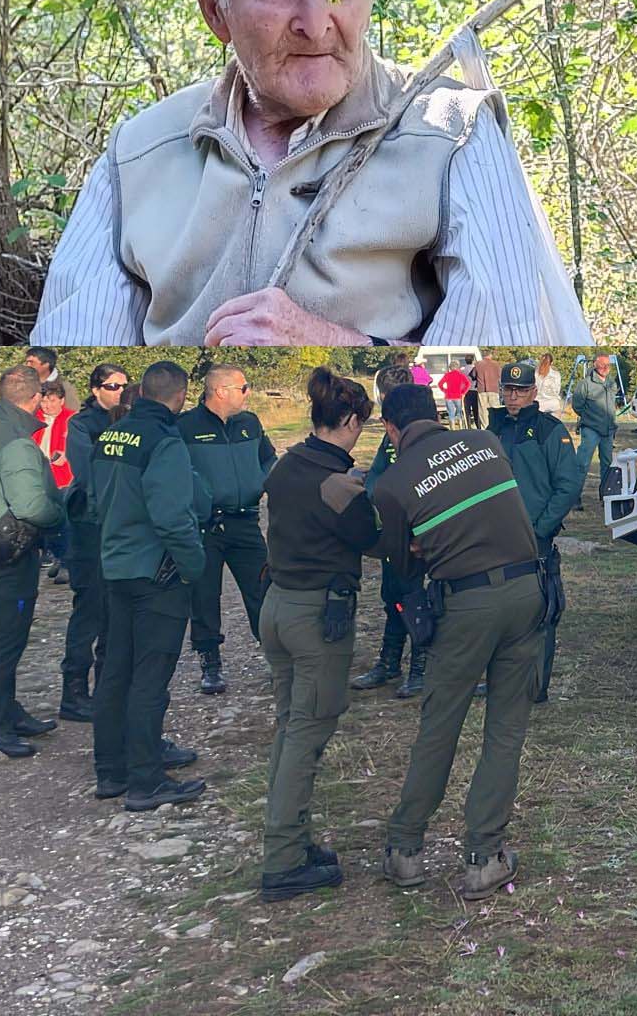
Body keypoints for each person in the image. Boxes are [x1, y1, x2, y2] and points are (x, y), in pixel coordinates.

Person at [28, 0, 590, 346]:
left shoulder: (451, 132)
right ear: (215, 8)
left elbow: (502, 364)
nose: (316, 22)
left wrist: (332, 346)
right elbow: (77, 361)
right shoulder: (140, 153)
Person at [370, 384, 546, 900]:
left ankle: (405, 852)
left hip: (464, 605)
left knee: (440, 726)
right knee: (505, 730)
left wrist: (421, 544)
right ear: (438, 415)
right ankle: (484, 857)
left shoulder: (394, 482)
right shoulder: (487, 442)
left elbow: (401, 562)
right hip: (528, 592)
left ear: (392, 429)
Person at [256, 368, 380, 901]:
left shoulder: (287, 465)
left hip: (278, 607)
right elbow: (373, 536)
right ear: (349, 421)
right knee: (307, 735)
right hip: (315, 617)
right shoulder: (337, 484)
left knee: (290, 727)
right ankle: (283, 859)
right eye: (360, 426)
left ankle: (292, 839)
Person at [90, 361, 210, 810]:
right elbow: (173, 516)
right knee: (150, 678)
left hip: (115, 567)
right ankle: (147, 781)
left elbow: (94, 498)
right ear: (179, 397)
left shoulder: (110, 435)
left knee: (115, 670)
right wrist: (193, 566)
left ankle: (110, 770)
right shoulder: (165, 441)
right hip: (156, 573)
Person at [0, 366, 67, 757]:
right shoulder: (17, 443)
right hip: (7, 548)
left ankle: (8, 711)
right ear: (36, 397)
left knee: (5, 635)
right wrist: (61, 515)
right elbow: (30, 505)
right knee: (4, 640)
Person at [178, 364, 277, 695]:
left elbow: (269, 459)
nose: (248, 393)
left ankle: (276, 656)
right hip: (206, 525)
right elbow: (180, 473)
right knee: (204, 595)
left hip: (246, 520)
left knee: (263, 587)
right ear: (221, 391)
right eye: (243, 387)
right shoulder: (185, 426)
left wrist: (262, 483)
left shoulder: (250, 423)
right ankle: (210, 664)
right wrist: (201, 499)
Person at [492, 362, 581, 703]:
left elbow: (568, 484)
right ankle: (502, 679)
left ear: (532, 392)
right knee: (499, 610)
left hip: (533, 535)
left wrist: (541, 529)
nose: (513, 396)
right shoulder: (495, 427)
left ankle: (535, 685)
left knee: (540, 613)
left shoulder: (549, 430)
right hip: (497, 535)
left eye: (520, 390)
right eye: (508, 389)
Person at [59, 363, 131, 723]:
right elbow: (88, 474)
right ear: (95, 389)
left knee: (115, 612)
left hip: (118, 527)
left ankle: (106, 687)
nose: (118, 391)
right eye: (111, 385)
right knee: (88, 610)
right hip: (90, 527)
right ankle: (73, 692)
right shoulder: (82, 424)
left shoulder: (128, 421)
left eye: (123, 385)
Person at [351, 364, 426, 697]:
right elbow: (378, 478)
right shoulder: (389, 436)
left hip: (419, 535)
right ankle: (390, 661)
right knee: (392, 597)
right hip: (393, 533)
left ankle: (421, 668)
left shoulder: (425, 435)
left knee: (416, 600)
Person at [33, 380, 74, 582]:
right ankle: (56, 556)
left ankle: (66, 563)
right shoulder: (34, 419)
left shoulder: (72, 419)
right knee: (47, 523)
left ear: (61, 400)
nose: (47, 406)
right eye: (44, 401)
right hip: (40, 479)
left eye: (52, 401)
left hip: (65, 479)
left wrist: (67, 455)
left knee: (65, 522)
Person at [571, 354, 619, 495]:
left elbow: (611, 406)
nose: (605, 368)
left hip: (608, 431)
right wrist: (591, 418)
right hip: (591, 429)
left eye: (608, 365)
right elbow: (577, 406)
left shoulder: (611, 383)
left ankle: (605, 496)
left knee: (607, 464)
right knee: (582, 464)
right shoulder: (585, 384)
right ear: (595, 365)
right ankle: (574, 496)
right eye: (602, 365)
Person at [470, 352, 502, 428]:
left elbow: (473, 375)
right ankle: (496, 426)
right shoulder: (496, 364)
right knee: (495, 409)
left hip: (482, 390)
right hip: (494, 389)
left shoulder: (478, 364)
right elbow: (500, 376)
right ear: (490, 355)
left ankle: (485, 427)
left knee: (483, 410)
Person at [439, 361, 470, 427]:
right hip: (458, 396)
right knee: (459, 413)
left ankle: (452, 429)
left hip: (448, 396)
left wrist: (444, 390)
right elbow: (467, 384)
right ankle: (461, 428)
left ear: (450, 368)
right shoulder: (460, 375)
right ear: (458, 367)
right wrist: (463, 392)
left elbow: (440, 384)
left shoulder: (447, 375)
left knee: (451, 414)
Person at [534, 353, 564, 417]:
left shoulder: (535, 374)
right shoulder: (556, 375)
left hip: (538, 404)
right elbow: (557, 391)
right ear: (552, 362)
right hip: (553, 404)